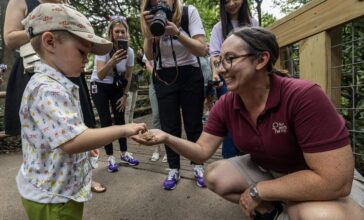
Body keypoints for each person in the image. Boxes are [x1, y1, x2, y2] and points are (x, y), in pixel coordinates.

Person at [133, 27, 364, 220]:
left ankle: (294, 207)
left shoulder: (303, 96)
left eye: (230, 59)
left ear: (261, 59)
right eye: (219, 61)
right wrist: (166, 137)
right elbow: (202, 152)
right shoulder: (226, 103)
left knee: (315, 214)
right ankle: (275, 211)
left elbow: (335, 182)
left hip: (320, 179)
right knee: (215, 175)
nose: (222, 69)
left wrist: (259, 190)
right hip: (272, 170)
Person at [17, 4, 146, 219]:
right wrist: (123, 129)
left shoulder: (54, 84)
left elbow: (63, 133)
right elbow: (72, 141)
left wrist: (85, 147)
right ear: (50, 42)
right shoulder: (47, 89)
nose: (86, 61)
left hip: (58, 190)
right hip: (54, 197)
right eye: (81, 52)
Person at [140, 0, 208, 189]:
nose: (161, 2)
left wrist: (177, 32)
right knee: (169, 125)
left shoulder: (188, 12)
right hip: (164, 75)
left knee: (193, 122)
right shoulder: (150, 16)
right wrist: (148, 31)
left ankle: (198, 165)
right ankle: (173, 168)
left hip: (190, 72)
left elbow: (202, 49)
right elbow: (150, 56)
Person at [3, 0, 68, 136]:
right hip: (33, 73)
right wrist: (45, 27)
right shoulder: (20, 2)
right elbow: (9, 39)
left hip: (67, 73)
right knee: (38, 134)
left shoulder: (66, 4)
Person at [209, 0, 258, 159]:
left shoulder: (253, 23)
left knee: (252, 114)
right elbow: (215, 54)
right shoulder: (219, 28)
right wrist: (216, 73)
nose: (231, 4)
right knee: (231, 115)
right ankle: (229, 157)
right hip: (227, 77)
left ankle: (254, 155)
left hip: (250, 77)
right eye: (226, 1)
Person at [90, 15, 139, 173]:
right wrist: (112, 60)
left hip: (117, 86)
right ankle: (110, 156)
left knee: (120, 119)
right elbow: (101, 74)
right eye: (116, 31)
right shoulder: (103, 48)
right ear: (111, 33)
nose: (120, 35)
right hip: (100, 84)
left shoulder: (129, 52)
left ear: (126, 33)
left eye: (122, 31)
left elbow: (129, 76)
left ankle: (124, 153)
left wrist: (125, 95)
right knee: (105, 120)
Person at [143, 55, 167, 163]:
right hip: (154, 83)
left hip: (168, 82)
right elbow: (147, 63)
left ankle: (169, 149)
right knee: (156, 116)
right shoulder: (149, 42)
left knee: (168, 116)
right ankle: (156, 147)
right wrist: (156, 74)